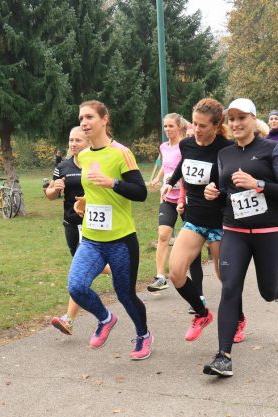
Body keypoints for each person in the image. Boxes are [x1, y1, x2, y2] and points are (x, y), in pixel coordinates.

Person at [203, 98, 278, 377]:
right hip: (235, 231)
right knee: (230, 288)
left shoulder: (271, 149)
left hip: (269, 231)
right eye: (231, 119)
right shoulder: (225, 154)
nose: (236, 123)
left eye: (241, 118)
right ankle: (223, 357)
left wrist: (259, 184)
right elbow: (226, 193)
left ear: (254, 120)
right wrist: (214, 194)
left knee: (267, 292)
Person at [67, 100, 151, 360]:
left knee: (125, 294)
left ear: (104, 119)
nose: (84, 122)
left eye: (89, 117)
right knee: (76, 286)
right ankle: (105, 318)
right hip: (91, 239)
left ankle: (143, 335)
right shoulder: (84, 156)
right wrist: (84, 203)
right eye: (81, 118)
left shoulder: (121, 153)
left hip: (120, 240)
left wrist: (113, 183)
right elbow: (94, 191)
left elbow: (141, 192)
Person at [161, 99, 241, 343]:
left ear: (216, 126)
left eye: (203, 125)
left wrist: (219, 192)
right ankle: (201, 313)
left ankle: (238, 319)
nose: (196, 129)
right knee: (176, 273)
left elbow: (237, 186)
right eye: (194, 124)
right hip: (194, 219)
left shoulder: (227, 149)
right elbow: (184, 165)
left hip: (221, 221)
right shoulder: (186, 144)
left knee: (225, 277)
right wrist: (170, 182)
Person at [46, 127, 91, 335]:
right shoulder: (63, 166)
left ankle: (69, 319)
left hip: (93, 223)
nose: (73, 144)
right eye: (71, 140)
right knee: (80, 265)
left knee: (79, 271)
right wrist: (54, 188)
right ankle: (116, 271)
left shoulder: (96, 163)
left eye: (78, 140)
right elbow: (50, 195)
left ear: (88, 142)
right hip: (71, 223)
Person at [147, 113, 189, 292]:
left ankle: (191, 274)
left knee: (191, 238)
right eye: (165, 126)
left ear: (179, 127)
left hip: (185, 198)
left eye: (171, 126)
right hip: (167, 197)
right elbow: (166, 165)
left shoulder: (185, 146)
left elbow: (183, 168)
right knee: (163, 235)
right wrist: (158, 179)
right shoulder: (163, 146)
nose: (167, 129)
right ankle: (160, 277)